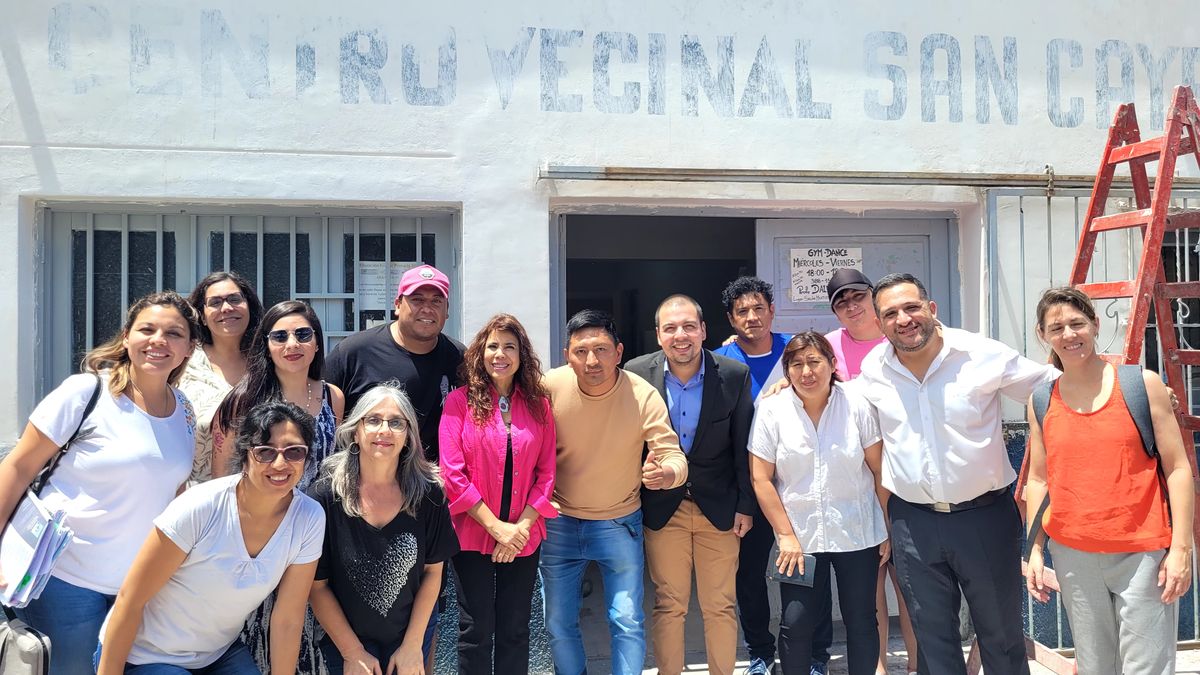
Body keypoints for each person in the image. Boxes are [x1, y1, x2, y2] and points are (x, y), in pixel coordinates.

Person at [857, 273, 1058, 675]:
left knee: (1001, 638)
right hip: (912, 523)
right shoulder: (873, 368)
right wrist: (783, 391)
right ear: (879, 324)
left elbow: (1051, 386)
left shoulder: (980, 354)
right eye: (891, 313)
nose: (904, 319)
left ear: (931, 309)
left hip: (984, 519)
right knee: (932, 642)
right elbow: (836, 400)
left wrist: (1128, 384)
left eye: (912, 307)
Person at [0, 291, 199, 675]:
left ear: (190, 348)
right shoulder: (87, 392)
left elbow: (174, 492)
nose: (159, 340)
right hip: (64, 579)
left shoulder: (184, 410)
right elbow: (18, 467)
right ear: (127, 336)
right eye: (147, 329)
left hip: (137, 588)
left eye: (174, 333)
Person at [1024, 287, 1194, 674]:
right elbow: (1038, 479)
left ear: (1095, 325)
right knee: (1095, 666)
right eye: (1057, 328)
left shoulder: (1141, 385)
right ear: (1043, 335)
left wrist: (1181, 550)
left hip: (1143, 554)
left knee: (1147, 667)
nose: (1069, 334)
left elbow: (1178, 469)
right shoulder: (1041, 400)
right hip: (1073, 554)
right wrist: (1033, 549)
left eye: (1077, 323)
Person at [95, 401, 325, 675]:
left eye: (294, 452)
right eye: (265, 452)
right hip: (144, 655)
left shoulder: (309, 518)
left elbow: (288, 619)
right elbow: (130, 599)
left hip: (216, 654)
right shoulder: (200, 507)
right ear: (244, 455)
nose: (279, 463)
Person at [541, 309, 689, 675]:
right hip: (559, 522)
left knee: (626, 620)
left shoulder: (642, 394)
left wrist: (666, 474)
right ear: (567, 355)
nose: (592, 360)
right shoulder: (549, 387)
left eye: (601, 350)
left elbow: (672, 454)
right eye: (581, 351)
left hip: (618, 522)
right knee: (557, 622)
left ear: (619, 352)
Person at [624, 295, 753, 675]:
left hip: (720, 510)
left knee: (720, 605)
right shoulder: (635, 374)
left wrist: (745, 505)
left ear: (703, 330)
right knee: (669, 604)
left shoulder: (733, 375)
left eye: (688, 326)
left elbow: (742, 446)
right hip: (663, 508)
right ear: (658, 335)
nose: (680, 335)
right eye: (670, 328)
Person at [214, 300, 345, 673]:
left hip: (314, 535)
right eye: (280, 336)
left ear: (317, 343)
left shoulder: (332, 397)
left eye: (303, 334)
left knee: (309, 635)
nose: (292, 344)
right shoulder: (243, 400)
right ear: (266, 345)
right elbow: (222, 477)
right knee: (259, 635)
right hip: (258, 539)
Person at [750, 331, 889, 675]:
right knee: (796, 621)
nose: (806, 371)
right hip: (799, 537)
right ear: (787, 371)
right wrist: (785, 535)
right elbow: (761, 478)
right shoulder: (772, 409)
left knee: (861, 619)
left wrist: (886, 526)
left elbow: (877, 469)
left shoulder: (856, 404)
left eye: (814, 361)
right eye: (796, 364)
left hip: (857, 531)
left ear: (831, 363)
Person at [308, 384, 458, 675]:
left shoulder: (429, 494)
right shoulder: (325, 497)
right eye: (373, 420)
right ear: (356, 431)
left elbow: (433, 572)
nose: (385, 430)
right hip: (345, 637)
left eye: (396, 422)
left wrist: (413, 645)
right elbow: (317, 587)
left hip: (411, 631)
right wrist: (352, 652)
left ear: (408, 436)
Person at [438, 314, 556, 674]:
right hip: (473, 533)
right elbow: (452, 474)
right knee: (476, 629)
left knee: (515, 629)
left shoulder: (539, 405)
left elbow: (547, 473)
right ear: (480, 353)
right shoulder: (459, 402)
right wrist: (497, 529)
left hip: (523, 534)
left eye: (509, 346)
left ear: (522, 354)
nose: (500, 354)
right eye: (493, 346)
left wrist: (519, 529)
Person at [823, 269, 916, 675]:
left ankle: (917, 664)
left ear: (873, 297)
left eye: (858, 295)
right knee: (870, 584)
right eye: (841, 301)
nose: (852, 305)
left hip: (909, 478)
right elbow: (796, 377)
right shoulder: (828, 346)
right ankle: (876, 666)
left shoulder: (901, 334)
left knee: (910, 583)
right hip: (860, 483)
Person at [713, 276, 794, 675]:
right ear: (731, 319)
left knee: (804, 571)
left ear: (772, 311)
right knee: (749, 575)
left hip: (798, 483)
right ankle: (761, 652)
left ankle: (807, 652)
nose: (752, 317)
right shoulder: (718, 361)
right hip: (748, 488)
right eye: (742, 311)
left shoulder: (797, 350)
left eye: (759, 308)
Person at [324, 264, 464, 462]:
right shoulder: (353, 352)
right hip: (363, 477)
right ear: (398, 305)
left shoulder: (460, 359)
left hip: (433, 478)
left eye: (436, 301)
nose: (427, 309)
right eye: (417, 300)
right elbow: (319, 413)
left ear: (447, 310)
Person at [181, 271, 264, 483]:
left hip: (262, 491)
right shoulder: (182, 361)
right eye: (215, 302)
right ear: (202, 315)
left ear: (249, 306)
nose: (226, 308)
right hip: (194, 492)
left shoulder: (268, 362)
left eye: (234, 299)